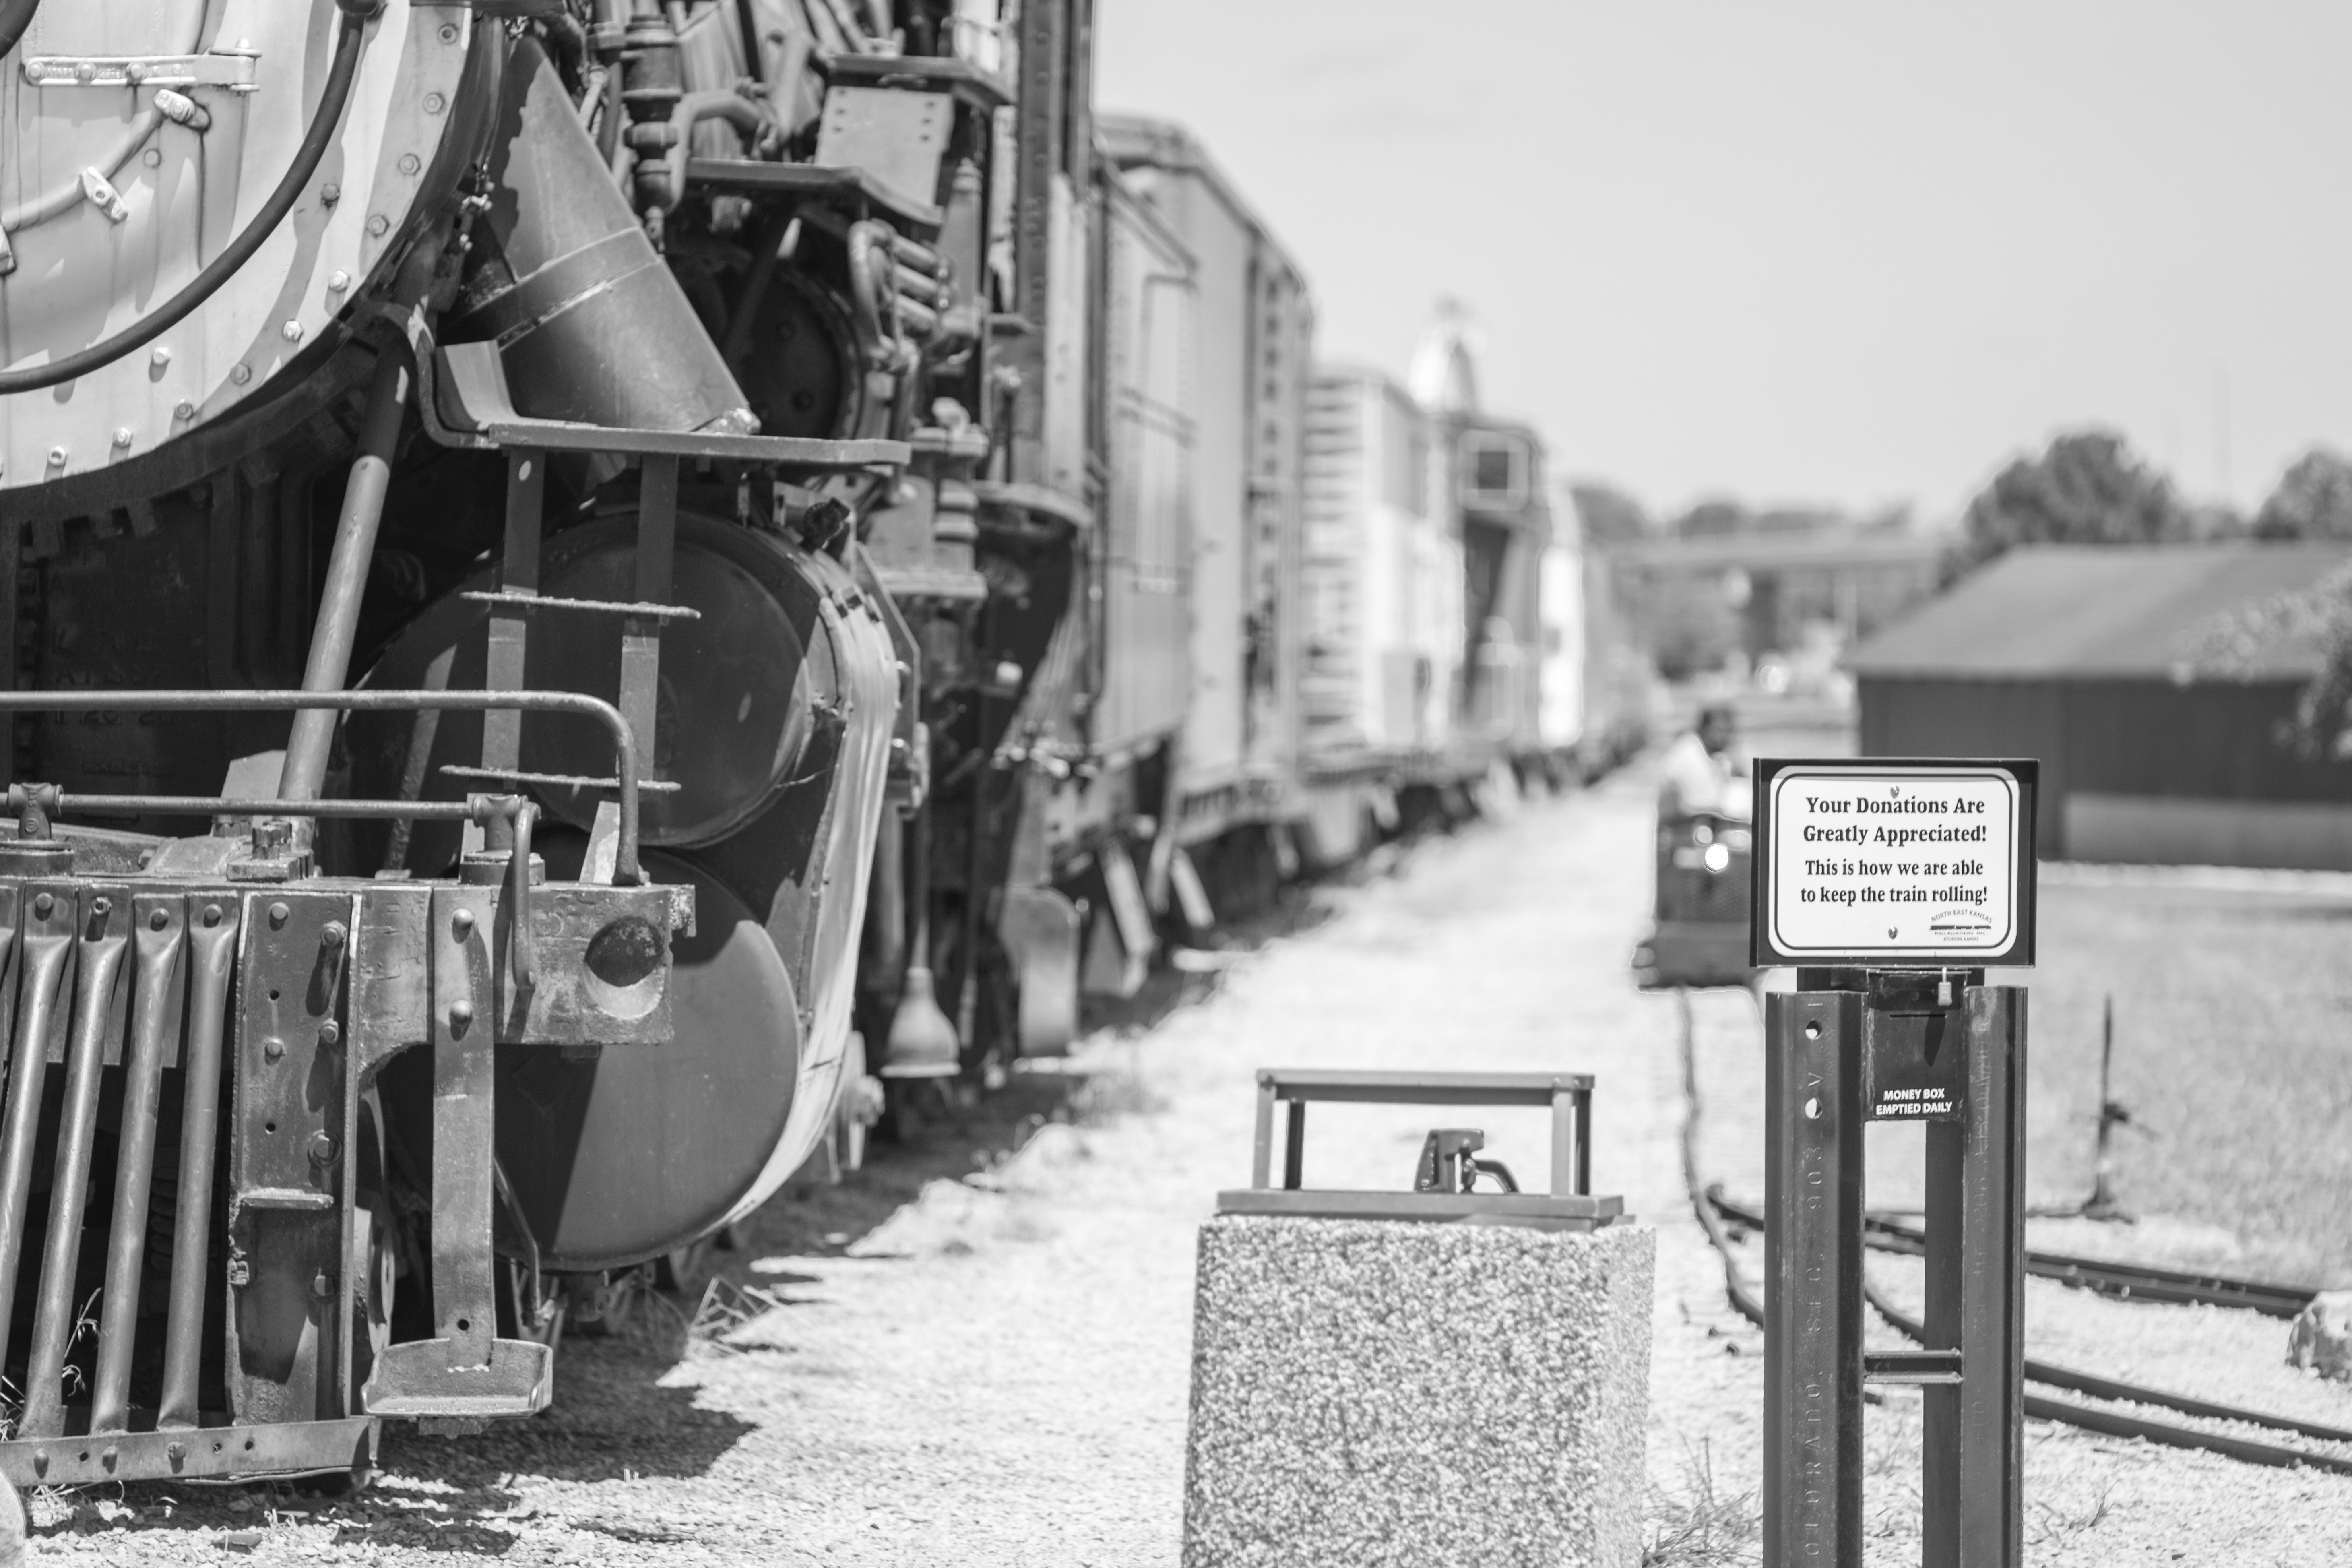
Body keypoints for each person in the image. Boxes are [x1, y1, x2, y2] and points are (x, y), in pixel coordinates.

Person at [1658, 702, 1750, 822]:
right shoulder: (1689, 755)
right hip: (1679, 828)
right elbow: (1703, 809)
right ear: (1704, 729)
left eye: (1729, 731)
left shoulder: (1711, 753)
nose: (1725, 737)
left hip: (1695, 824)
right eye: (1719, 731)